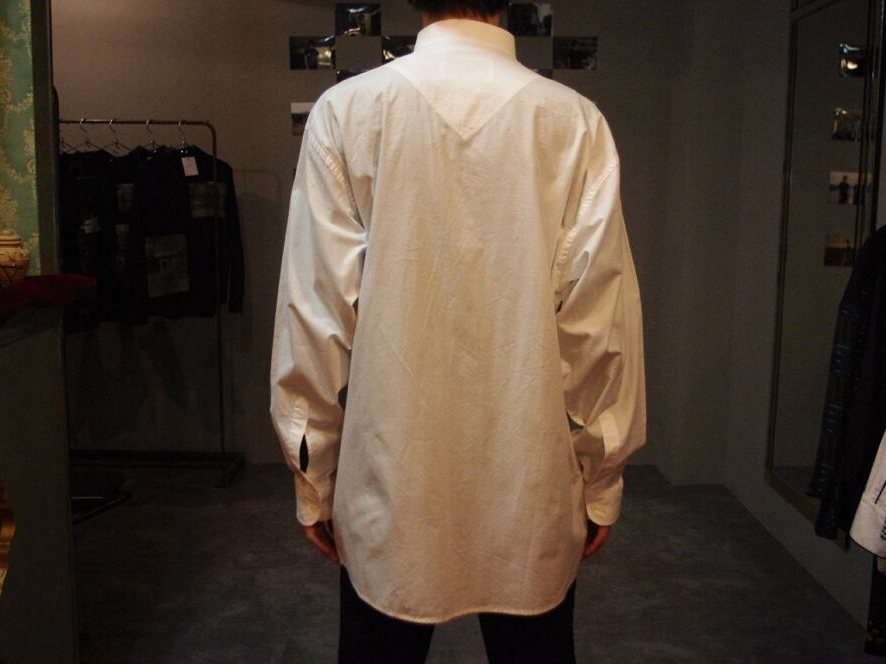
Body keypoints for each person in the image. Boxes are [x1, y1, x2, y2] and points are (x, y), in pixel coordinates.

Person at [269, 0, 646, 661]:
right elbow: (599, 325)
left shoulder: (348, 112)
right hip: (529, 484)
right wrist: (602, 475)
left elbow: (315, 313)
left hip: (389, 482)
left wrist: (313, 473)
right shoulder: (572, 122)